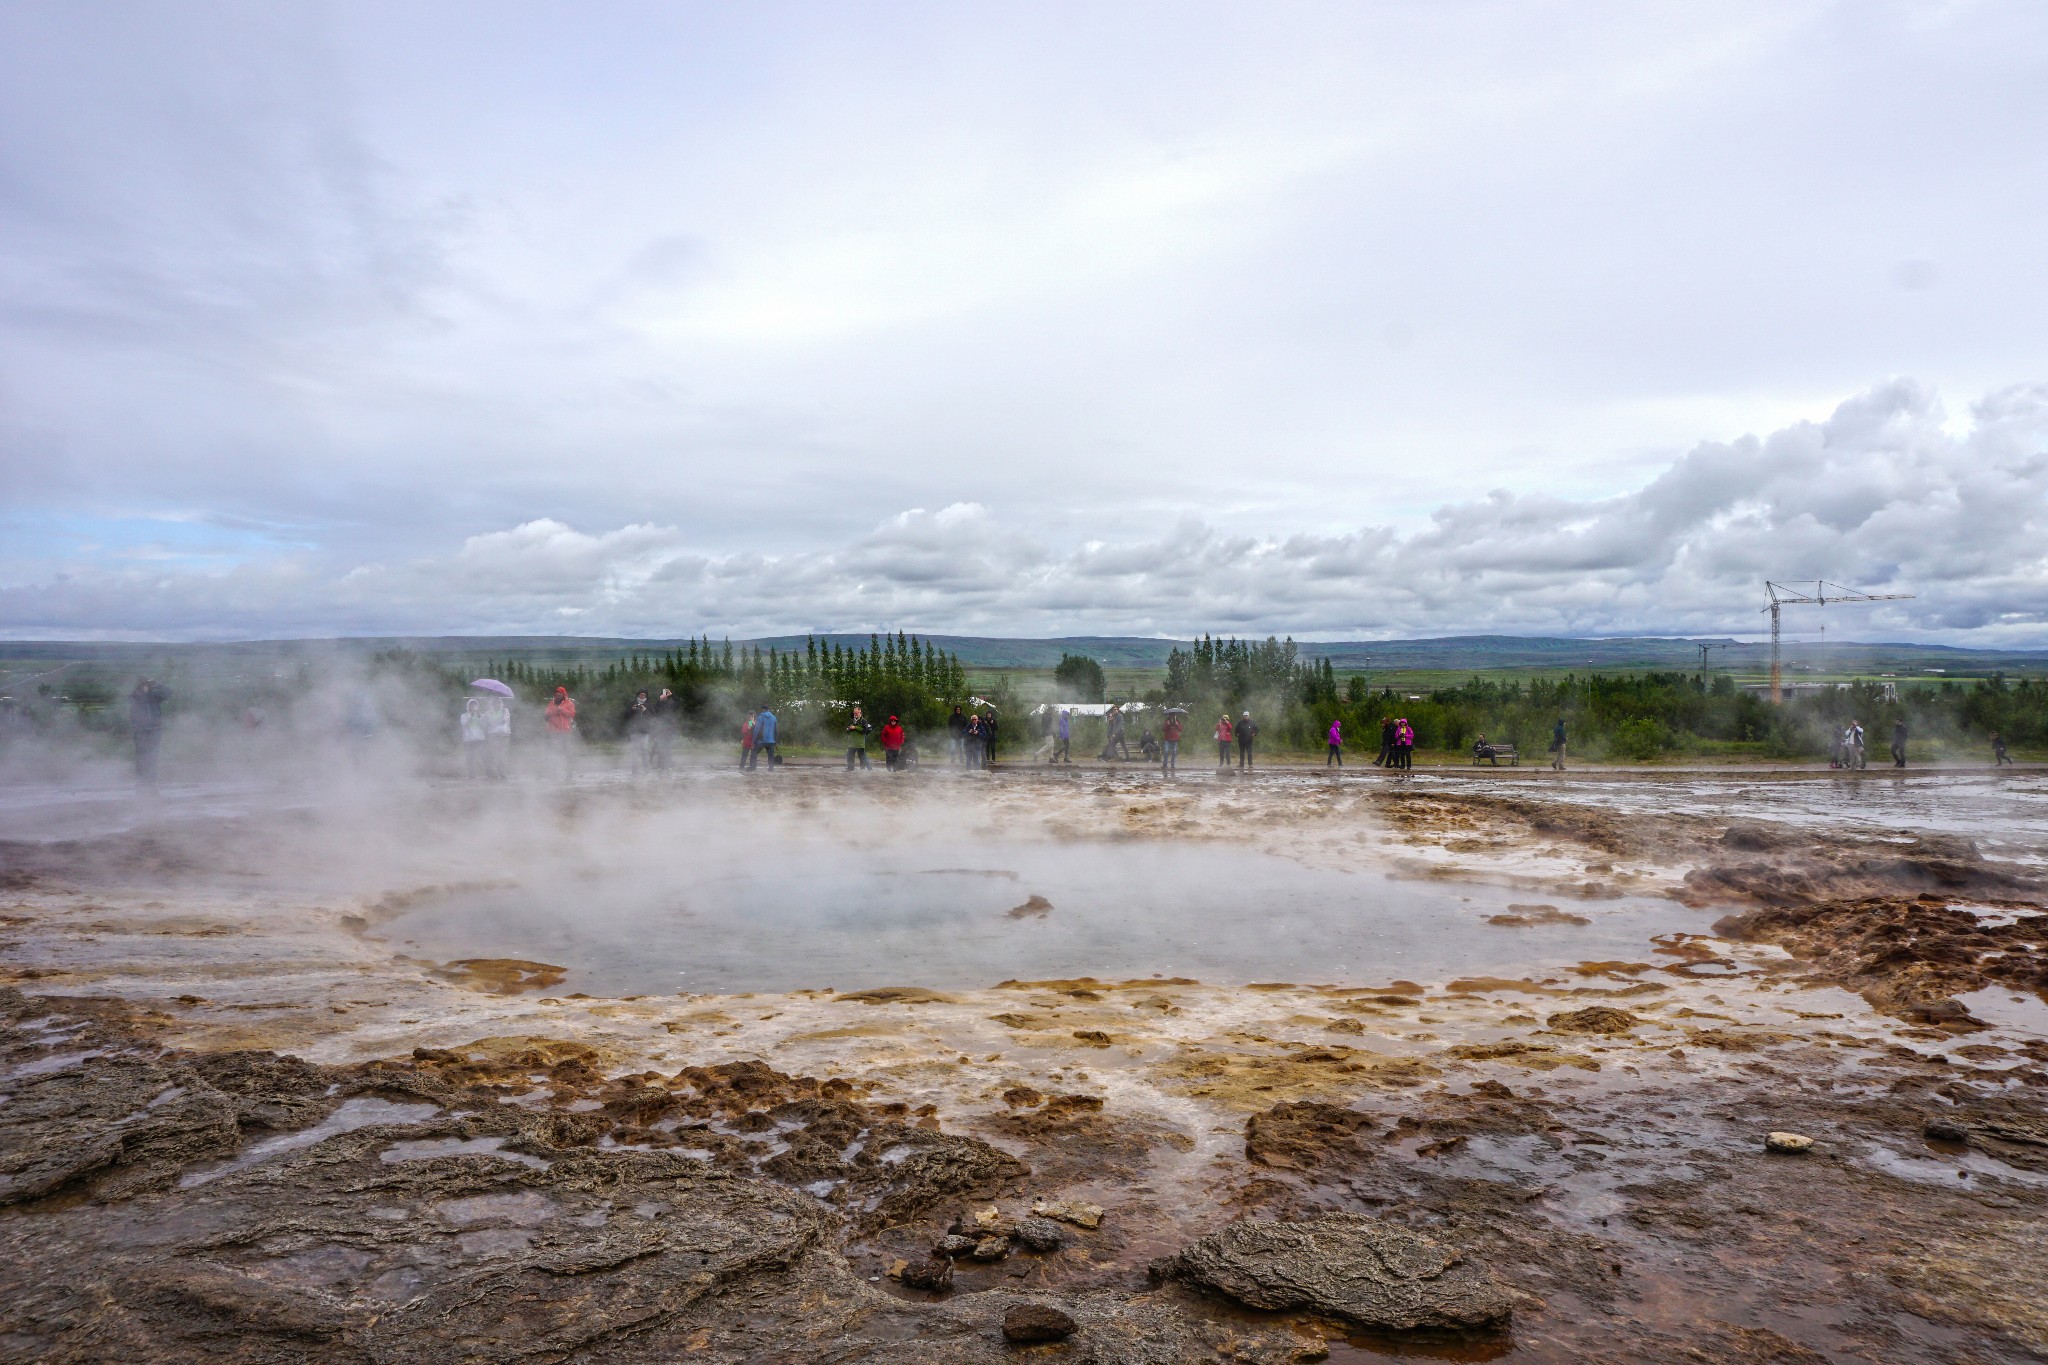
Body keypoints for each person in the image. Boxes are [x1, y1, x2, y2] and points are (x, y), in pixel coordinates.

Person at [129, 677, 170, 787]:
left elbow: (168, 693)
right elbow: (133, 714)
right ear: (140, 686)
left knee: (153, 754)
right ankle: (140, 779)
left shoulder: (154, 696)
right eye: (144, 685)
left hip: (155, 730)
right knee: (141, 755)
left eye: (147, 685)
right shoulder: (135, 696)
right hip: (141, 731)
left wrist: (158, 684)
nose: (146, 688)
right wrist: (138, 728)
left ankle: (151, 779)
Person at [544, 686, 577, 778]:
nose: (558, 694)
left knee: (567, 752)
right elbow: (546, 714)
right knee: (553, 752)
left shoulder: (569, 703)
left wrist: (562, 710)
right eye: (557, 692)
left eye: (560, 693)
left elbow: (572, 714)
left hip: (565, 731)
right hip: (553, 731)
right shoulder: (551, 703)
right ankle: (554, 771)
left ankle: (569, 772)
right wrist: (553, 711)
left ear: (564, 694)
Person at [625, 690, 653, 773]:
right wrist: (632, 709)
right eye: (641, 694)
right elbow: (626, 715)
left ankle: (646, 768)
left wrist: (645, 710)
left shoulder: (649, 704)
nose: (642, 696)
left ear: (646, 696)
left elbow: (652, 716)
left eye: (644, 695)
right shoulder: (632, 703)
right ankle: (634, 769)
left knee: (644, 749)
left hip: (645, 731)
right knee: (634, 750)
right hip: (634, 730)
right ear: (638, 695)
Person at [485, 696, 512, 779]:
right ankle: (494, 773)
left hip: (504, 735)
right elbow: (490, 722)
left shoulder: (505, 710)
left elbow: (505, 720)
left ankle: (503, 773)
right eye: (495, 703)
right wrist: (498, 721)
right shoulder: (488, 712)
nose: (497, 704)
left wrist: (497, 721)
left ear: (500, 703)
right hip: (493, 735)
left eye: (498, 703)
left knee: (502, 755)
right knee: (494, 755)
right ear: (492, 704)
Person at [650, 689, 676, 772]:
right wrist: (660, 700)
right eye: (663, 695)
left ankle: (668, 765)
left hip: (669, 729)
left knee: (668, 748)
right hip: (659, 728)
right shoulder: (658, 704)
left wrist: (671, 695)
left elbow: (678, 703)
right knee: (659, 747)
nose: (665, 697)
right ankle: (660, 765)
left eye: (666, 696)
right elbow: (654, 709)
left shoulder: (670, 703)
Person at [461, 698, 488, 778]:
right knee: (470, 758)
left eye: (474, 705)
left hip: (480, 739)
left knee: (484, 757)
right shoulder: (464, 716)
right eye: (471, 705)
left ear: (477, 706)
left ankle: (489, 773)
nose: (473, 707)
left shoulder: (482, 715)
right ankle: (471, 775)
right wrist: (471, 716)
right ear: (468, 706)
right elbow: (465, 726)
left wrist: (480, 717)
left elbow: (485, 727)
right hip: (469, 740)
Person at [844, 705, 872, 770]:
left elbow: (865, 730)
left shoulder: (864, 721)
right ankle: (850, 768)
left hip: (860, 744)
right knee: (849, 756)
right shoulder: (852, 721)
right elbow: (847, 730)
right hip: (852, 743)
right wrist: (848, 729)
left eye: (856, 713)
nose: (855, 714)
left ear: (860, 713)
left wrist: (855, 727)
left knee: (863, 757)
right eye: (854, 713)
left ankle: (867, 769)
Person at [751, 706, 779, 770]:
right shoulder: (774, 718)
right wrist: (775, 741)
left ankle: (752, 767)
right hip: (771, 741)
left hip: (761, 740)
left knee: (754, 753)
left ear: (763, 710)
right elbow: (775, 730)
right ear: (769, 710)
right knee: (770, 755)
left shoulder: (760, 717)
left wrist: (753, 741)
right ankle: (771, 768)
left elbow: (756, 730)